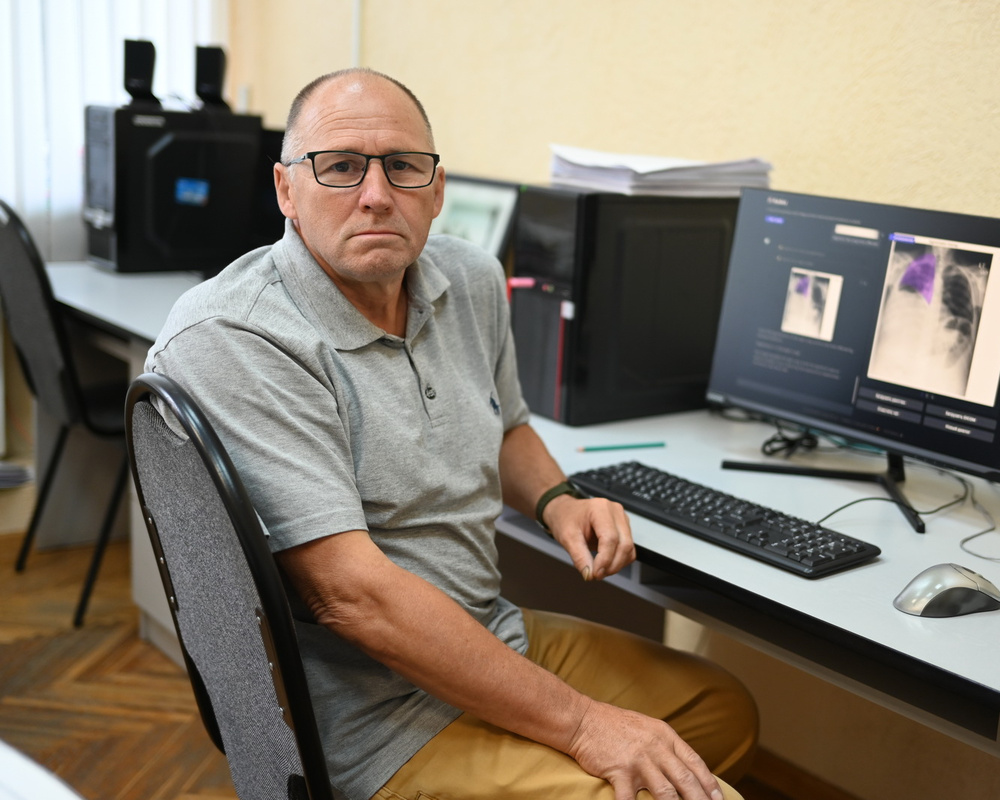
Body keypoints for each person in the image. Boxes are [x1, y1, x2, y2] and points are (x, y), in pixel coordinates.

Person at [147, 67, 757, 800]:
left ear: (436, 190)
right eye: (340, 167)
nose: (377, 194)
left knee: (720, 709)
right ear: (286, 190)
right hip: (372, 720)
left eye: (403, 167)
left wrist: (559, 500)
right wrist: (585, 727)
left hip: (487, 633)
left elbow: (506, 424)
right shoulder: (236, 337)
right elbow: (353, 599)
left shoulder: (468, 279)